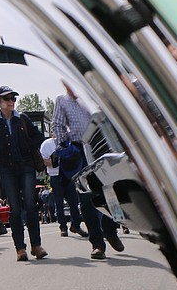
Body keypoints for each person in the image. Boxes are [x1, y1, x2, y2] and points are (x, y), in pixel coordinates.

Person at [53, 80, 124, 260]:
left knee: (110, 192)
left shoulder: (92, 98)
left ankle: (110, 230)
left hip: (101, 147)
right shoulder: (62, 100)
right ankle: (97, 244)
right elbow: (58, 125)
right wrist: (63, 148)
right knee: (87, 200)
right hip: (79, 151)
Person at [0, 85, 47, 262]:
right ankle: (20, 248)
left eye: (13, 98)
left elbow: (39, 136)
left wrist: (29, 146)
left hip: (26, 165)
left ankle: (36, 245)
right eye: (7, 98)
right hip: (7, 168)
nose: (11, 102)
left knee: (31, 205)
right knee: (15, 209)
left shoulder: (22, 119)